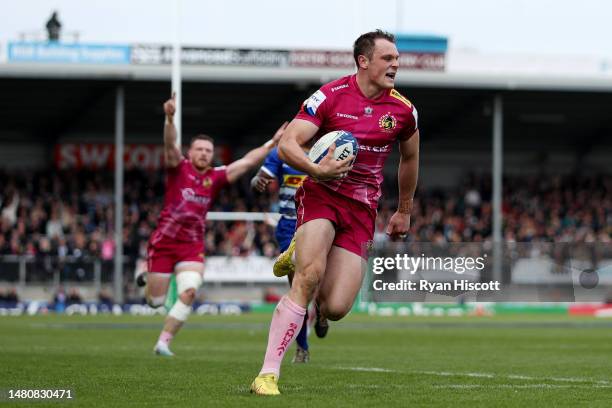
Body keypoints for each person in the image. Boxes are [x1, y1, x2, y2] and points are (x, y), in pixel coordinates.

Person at [250, 29, 420, 395]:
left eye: (396, 59)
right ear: (364, 61)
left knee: (337, 306)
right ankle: (267, 374)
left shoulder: (403, 111)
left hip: (362, 210)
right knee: (308, 277)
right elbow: (288, 144)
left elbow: (410, 157)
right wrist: (318, 171)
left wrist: (404, 210)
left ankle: (299, 257)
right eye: (387, 58)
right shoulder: (330, 96)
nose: (395, 64)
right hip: (323, 195)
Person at [142, 94, 287, 356]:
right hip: (164, 242)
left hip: (191, 244)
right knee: (155, 302)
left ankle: (163, 342)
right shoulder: (178, 167)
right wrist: (169, 117)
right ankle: (146, 277)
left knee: (189, 291)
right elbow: (168, 144)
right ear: (190, 152)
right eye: (199, 149)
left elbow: (246, 162)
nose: (204, 153)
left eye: (208, 151)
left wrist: (272, 143)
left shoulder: (216, 176)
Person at [250, 148, 311, 363]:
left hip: (319, 223)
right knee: (299, 286)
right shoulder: (284, 151)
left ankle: (322, 311)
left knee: (319, 286)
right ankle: (302, 346)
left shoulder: (330, 147)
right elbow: (260, 178)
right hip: (289, 225)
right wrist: (258, 181)